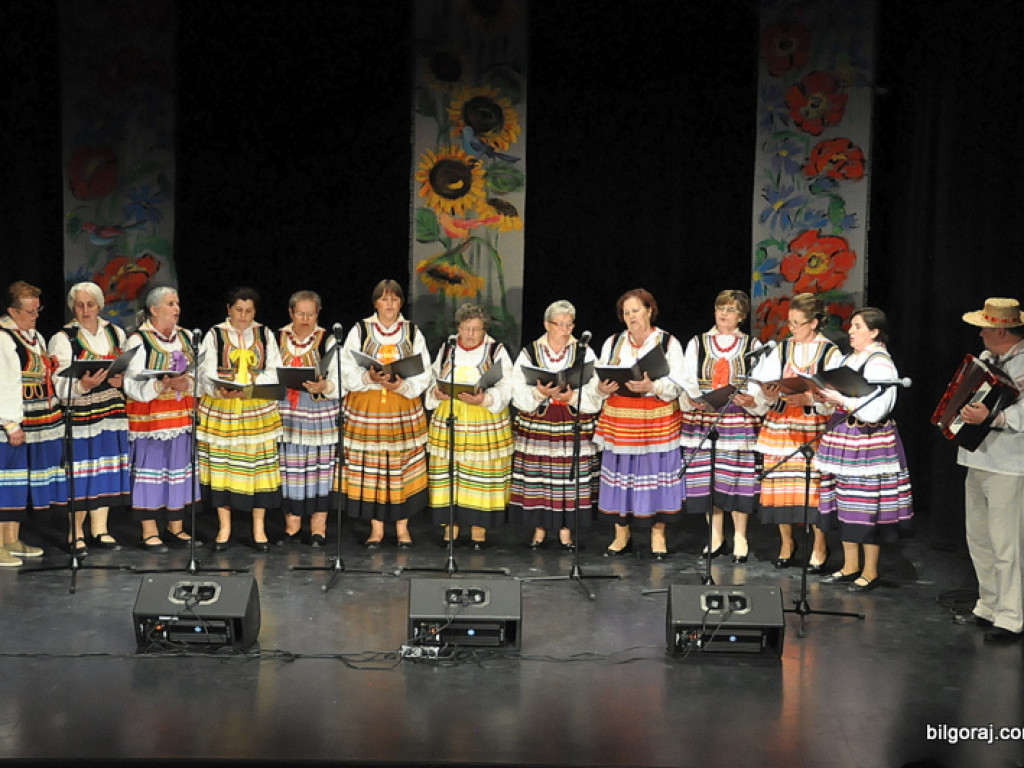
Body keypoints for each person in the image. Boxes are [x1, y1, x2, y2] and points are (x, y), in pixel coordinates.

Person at [814, 307, 914, 592]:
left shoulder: (881, 363)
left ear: (874, 331)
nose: (851, 331)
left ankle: (870, 571)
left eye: (857, 326)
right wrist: (827, 397)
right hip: (844, 437)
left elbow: (877, 409)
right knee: (845, 502)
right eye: (851, 325)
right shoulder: (850, 358)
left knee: (866, 506)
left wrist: (842, 400)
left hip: (868, 440)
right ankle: (849, 565)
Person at [591, 288, 692, 558]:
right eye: (626, 312)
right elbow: (597, 380)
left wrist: (653, 385)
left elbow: (679, 383)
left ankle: (657, 534)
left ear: (649, 310)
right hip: (620, 421)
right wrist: (603, 386)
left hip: (656, 420)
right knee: (622, 475)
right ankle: (621, 533)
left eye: (636, 310)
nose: (631, 316)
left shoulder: (668, 342)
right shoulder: (613, 342)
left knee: (654, 476)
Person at [752, 292, 842, 571]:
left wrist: (811, 400)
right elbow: (762, 387)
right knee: (781, 486)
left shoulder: (831, 352)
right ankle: (786, 542)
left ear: (814, 323)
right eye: (789, 323)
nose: (792, 329)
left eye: (798, 323)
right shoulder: (780, 349)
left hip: (812, 427)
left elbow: (836, 395)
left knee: (814, 489)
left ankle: (819, 544)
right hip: (780, 425)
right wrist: (767, 392)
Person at [339, 280, 431, 548]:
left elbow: (424, 371)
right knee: (372, 469)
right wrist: (367, 377)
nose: (389, 304)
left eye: (394, 299)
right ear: (375, 302)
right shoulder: (361, 329)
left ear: (401, 303)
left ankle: (403, 529)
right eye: (383, 299)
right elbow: (346, 366)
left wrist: (401, 384)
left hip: (400, 406)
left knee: (402, 466)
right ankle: (376, 529)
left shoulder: (412, 332)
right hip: (367, 406)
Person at [954, 297, 1024, 642]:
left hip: (1009, 464)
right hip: (977, 456)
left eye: (984, 326)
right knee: (979, 537)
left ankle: (1011, 616)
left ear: (999, 330)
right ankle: (989, 604)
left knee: (1005, 542)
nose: (980, 332)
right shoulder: (985, 360)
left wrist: (994, 417)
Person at [509, 300, 602, 550]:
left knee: (569, 477)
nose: (565, 329)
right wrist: (539, 393)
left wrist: (571, 396)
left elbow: (595, 386)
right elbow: (517, 388)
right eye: (559, 324)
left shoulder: (583, 351)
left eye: (569, 324)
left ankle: (565, 531)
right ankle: (539, 530)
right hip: (540, 421)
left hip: (571, 420)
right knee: (539, 476)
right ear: (546, 325)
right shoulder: (531, 352)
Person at [197, 286, 283, 552]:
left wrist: (254, 384)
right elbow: (205, 370)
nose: (243, 316)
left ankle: (258, 529)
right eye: (238, 310)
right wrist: (219, 388)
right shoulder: (215, 334)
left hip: (256, 410)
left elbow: (275, 369)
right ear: (229, 309)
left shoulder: (265, 333)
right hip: (223, 409)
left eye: (248, 311)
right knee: (223, 468)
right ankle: (225, 528)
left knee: (257, 469)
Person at [680, 290, 763, 563]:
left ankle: (741, 536)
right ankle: (715, 535)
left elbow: (759, 382)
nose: (724, 313)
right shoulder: (698, 342)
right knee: (708, 477)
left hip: (737, 418)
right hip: (705, 416)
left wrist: (751, 399)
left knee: (737, 477)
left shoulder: (753, 344)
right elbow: (687, 377)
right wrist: (695, 398)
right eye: (720, 308)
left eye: (730, 309)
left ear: (741, 315)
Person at [48, 281, 131, 555]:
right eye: (79, 305)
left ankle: (101, 529)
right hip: (82, 410)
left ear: (99, 306)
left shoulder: (115, 332)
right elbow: (56, 382)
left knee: (105, 469)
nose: (85, 310)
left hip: (112, 410)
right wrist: (82, 385)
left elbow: (129, 369)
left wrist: (121, 380)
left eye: (90, 305)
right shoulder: (64, 338)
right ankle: (76, 533)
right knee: (82, 472)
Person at [424, 303, 513, 549]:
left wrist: (485, 398)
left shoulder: (496, 350)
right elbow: (433, 377)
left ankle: (478, 532)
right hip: (451, 417)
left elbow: (507, 385)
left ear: (484, 329)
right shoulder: (447, 348)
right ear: (458, 328)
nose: (470, 334)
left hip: (482, 418)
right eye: (465, 329)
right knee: (450, 473)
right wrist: (436, 392)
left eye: (476, 329)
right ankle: (450, 530)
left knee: (479, 475)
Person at [123, 286, 202, 552]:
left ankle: (175, 527)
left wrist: (186, 383)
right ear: (154, 310)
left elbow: (200, 373)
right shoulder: (138, 340)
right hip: (152, 420)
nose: (176, 308)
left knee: (177, 472)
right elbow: (131, 383)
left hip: (180, 417)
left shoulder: (187, 337)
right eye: (170, 304)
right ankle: (149, 531)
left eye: (177, 303)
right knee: (151, 473)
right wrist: (160, 385)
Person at [0, 281, 64, 566]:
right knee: (4, 481)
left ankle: (11, 539)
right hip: (9, 421)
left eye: (38, 309)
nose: (36, 315)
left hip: (34, 417)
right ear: (13, 311)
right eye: (30, 311)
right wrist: (11, 424)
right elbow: (5, 383)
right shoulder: (4, 338)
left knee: (17, 483)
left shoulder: (33, 335)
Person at [276, 290, 340, 547]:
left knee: (319, 468)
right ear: (291, 312)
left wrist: (325, 387)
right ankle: (292, 526)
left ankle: (318, 528)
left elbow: (338, 377)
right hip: (287, 412)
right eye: (300, 313)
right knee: (290, 468)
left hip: (318, 411)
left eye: (311, 314)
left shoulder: (328, 339)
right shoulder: (277, 338)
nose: (305, 319)